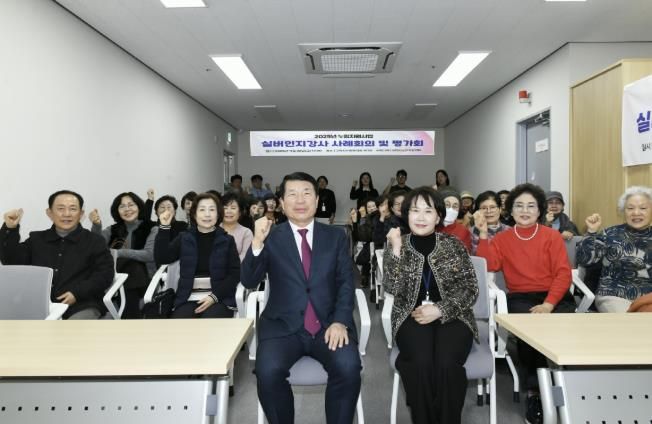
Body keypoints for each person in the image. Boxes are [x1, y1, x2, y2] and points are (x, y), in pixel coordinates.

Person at [241, 172, 361, 424]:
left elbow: (346, 283)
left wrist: (340, 321)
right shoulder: (271, 236)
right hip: (282, 326)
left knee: (348, 368)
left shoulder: (336, 237)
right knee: (267, 372)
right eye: (292, 194)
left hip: (329, 324)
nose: (300, 200)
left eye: (306, 193)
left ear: (316, 201)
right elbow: (249, 280)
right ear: (281, 203)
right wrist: (257, 242)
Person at [474, 183, 574, 424]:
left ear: (539, 210)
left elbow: (563, 274)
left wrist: (549, 304)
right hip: (521, 297)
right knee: (531, 335)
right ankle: (535, 392)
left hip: (554, 295)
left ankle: (567, 387)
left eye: (531, 206)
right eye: (519, 206)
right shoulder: (503, 238)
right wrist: (484, 234)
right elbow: (490, 265)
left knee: (566, 331)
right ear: (510, 210)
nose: (525, 211)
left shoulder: (551, 236)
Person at [383, 186, 478, 424]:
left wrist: (440, 309)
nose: (421, 217)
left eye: (428, 211)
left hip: (454, 315)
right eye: (415, 210)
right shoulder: (397, 244)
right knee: (421, 363)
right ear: (406, 214)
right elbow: (392, 287)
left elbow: (470, 288)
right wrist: (396, 249)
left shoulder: (453, 244)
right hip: (410, 315)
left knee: (446, 364)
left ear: (438, 217)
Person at [0, 190, 114, 319]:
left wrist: (77, 293)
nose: (67, 214)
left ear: (81, 214)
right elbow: (11, 261)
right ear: (49, 213)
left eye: (73, 209)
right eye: (60, 208)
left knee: (73, 329)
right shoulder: (37, 239)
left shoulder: (94, 241)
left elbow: (105, 274)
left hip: (81, 303)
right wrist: (10, 228)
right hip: (40, 304)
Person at [155, 192, 240, 318]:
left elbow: (235, 274)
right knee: (180, 323)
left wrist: (214, 297)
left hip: (219, 298)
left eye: (212, 210)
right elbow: (163, 258)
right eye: (202, 210)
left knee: (210, 322)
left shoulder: (227, 240)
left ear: (218, 214)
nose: (207, 214)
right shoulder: (184, 238)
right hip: (187, 298)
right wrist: (164, 227)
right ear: (194, 214)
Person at [577, 186, 652, 312]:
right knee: (627, 322)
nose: (636, 213)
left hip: (648, 298)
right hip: (614, 295)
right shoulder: (609, 234)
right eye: (630, 208)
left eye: (643, 208)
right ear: (623, 211)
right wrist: (592, 232)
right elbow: (584, 260)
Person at [90, 191, 157, 319]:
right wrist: (96, 226)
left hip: (144, 279)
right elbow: (95, 247)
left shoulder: (152, 228)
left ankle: (129, 318)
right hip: (113, 278)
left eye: (131, 205)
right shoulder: (112, 230)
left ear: (139, 207)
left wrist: (118, 252)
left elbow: (149, 254)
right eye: (122, 206)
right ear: (117, 211)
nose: (127, 209)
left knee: (132, 267)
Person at [220, 192, 254, 262]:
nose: (228, 211)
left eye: (233, 208)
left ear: (240, 212)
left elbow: (245, 257)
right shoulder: (213, 229)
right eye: (225, 208)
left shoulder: (246, 233)